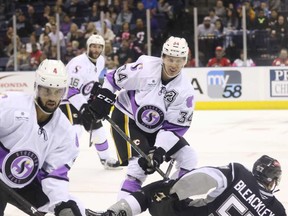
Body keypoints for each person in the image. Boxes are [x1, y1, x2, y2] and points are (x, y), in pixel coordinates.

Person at [89, 36, 198, 199]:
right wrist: (104, 97)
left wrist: (159, 151)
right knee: (137, 169)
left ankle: (165, 195)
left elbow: (173, 128)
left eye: (179, 60)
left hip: (157, 128)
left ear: (185, 61)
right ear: (163, 57)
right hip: (128, 118)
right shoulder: (145, 67)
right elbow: (114, 78)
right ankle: (122, 209)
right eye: (170, 59)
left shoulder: (186, 91)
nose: (174, 65)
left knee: (189, 158)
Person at [0, 59, 86, 216]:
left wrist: (60, 204)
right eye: (47, 91)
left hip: (26, 184)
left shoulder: (65, 131)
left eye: (58, 91)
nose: (52, 98)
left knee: (73, 208)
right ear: (36, 88)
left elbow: (54, 174)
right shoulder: (10, 105)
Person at [94, 155, 286, 216]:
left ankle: (116, 212)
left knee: (157, 190)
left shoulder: (239, 173)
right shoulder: (277, 211)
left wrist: (175, 190)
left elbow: (205, 178)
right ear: (273, 181)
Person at [59, 34, 119, 169]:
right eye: (93, 46)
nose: (96, 50)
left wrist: (95, 92)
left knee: (98, 131)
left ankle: (105, 160)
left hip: (83, 100)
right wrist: (84, 107)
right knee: (74, 131)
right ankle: (63, 162)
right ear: (88, 47)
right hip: (67, 101)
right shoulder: (78, 64)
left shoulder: (101, 61)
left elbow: (94, 81)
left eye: (99, 47)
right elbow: (71, 91)